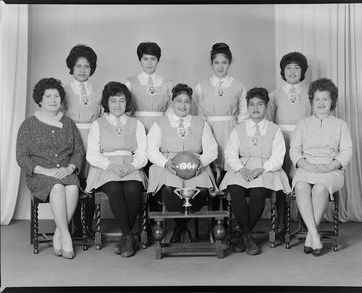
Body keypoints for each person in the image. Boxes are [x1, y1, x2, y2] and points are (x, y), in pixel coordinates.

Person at [16, 78, 85, 259]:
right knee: (56, 187)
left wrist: (70, 168)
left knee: (71, 187)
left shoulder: (68, 123)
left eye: (57, 96)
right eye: (48, 96)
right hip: (40, 174)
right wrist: (44, 171)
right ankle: (66, 235)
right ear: (40, 99)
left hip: (64, 171)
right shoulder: (29, 125)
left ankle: (58, 234)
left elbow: (78, 150)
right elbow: (21, 157)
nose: (53, 100)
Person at [220, 87, 291, 255]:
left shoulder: (275, 130)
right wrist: (241, 169)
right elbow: (230, 153)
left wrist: (262, 169)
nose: (255, 108)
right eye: (251, 104)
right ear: (247, 107)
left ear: (266, 107)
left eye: (260, 104)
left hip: (266, 169)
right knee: (236, 190)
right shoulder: (239, 128)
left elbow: (278, 156)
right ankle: (248, 236)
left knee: (258, 192)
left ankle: (242, 235)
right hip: (242, 166)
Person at [147, 83, 218, 242]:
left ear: (191, 103)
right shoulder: (160, 123)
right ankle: (182, 227)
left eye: (186, 101)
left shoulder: (201, 123)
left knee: (202, 192)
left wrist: (202, 162)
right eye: (179, 101)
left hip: (195, 167)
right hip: (169, 167)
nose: (183, 105)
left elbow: (212, 149)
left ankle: (180, 227)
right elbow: (151, 149)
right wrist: (165, 163)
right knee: (170, 192)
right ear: (172, 102)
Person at [290, 78, 352, 256]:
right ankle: (314, 236)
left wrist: (330, 166)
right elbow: (294, 150)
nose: (321, 103)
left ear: (332, 101)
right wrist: (305, 164)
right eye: (317, 99)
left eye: (325, 99)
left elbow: (347, 151)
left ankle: (311, 235)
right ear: (311, 101)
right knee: (301, 185)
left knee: (319, 189)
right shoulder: (303, 124)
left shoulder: (341, 125)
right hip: (306, 166)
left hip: (331, 169)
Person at [85, 81, 148, 258]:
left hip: (130, 164)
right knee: (114, 188)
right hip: (105, 165)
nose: (118, 105)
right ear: (107, 103)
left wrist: (132, 166)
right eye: (113, 101)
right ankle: (129, 236)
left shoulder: (136, 124)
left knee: (132, 188)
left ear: (127, 102)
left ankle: (125, 237)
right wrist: (110, 166)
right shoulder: (98, 124)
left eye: (121, 100)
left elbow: (143, 153)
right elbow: (92, 154)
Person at [194, 42, 248, 214]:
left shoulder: (239, 86)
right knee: (210, 170)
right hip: (208, 130)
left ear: (229, 63)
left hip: (230, 130)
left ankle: (226, 217)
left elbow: (244, 115)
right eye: (216, 62)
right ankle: (212, 215)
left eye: (224, 62)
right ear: (211, 64)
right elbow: (198, 114)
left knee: (228, 170)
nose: (220, 66)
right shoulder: (201, 86)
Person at [265, 51, 311, 232]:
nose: (292, 71)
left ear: (303, 71)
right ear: (283, 71)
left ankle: (305, 221)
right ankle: (281, 224)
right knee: (281, 181)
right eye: (288, 68)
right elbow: (268, 122)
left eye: (297, 67)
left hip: (303, 141)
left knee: (303, 179)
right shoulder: (274, 95)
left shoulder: (310, 94)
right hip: (281, 141)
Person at [64, 44, 102, 237]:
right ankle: (74, 225)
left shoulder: (99, 90)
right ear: (71, 67)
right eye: (78, 66)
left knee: (90, 182)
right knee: (74, 181)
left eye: (86, 66)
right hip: (71, 139)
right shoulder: (63, 91)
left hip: (93, 139)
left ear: (92, 68)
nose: (82, 70)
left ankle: (87, 225)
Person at [124, 41, 173, 133]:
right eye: (145, 59)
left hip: (161, 125)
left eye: (153, 59)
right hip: (136, 125)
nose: (149, 63)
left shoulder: (167, 83)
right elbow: (125, 108)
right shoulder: (130, 83)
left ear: (158, 60)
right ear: (140, 60)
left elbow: (172, 108)